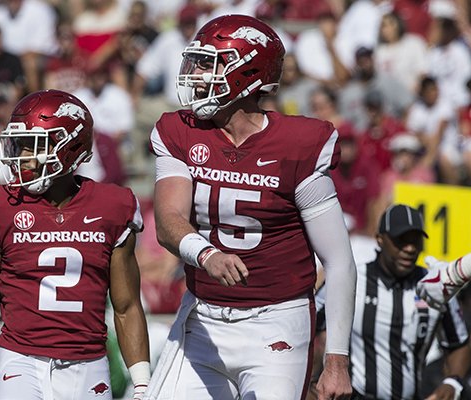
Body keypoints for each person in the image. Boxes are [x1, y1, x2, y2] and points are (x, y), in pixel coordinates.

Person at [144, 14, 357, 400]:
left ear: (249, 74)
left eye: (212, 64)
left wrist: (337, 362)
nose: (197, 74)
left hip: (276, 323)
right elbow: (168, 220)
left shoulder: (299, 144)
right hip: (203, 318)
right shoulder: (180, 130)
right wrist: (206, 254)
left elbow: (339, 261)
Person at [0, 89, 150, 400]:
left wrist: (142, 383)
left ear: (70, 148)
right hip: (20, 360)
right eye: (19, 146)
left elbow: (127, 305)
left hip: (89, 363)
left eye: (31, 147)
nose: (21, 157)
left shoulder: (112, 206)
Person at [316, 204, 471, 399]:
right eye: (401, 241)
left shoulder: (436, 285)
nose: (409, 248)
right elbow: (308, 324)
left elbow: (459, 342)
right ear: (379, 240)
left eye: (416, 241)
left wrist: (452, 383)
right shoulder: (352, 280)